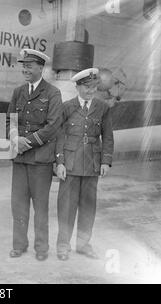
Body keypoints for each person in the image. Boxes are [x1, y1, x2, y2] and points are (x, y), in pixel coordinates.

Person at [6, 49, 62, 261]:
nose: (25, 69)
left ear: (41, 67)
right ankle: (19, 245)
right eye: (23, 65)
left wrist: (25, 142)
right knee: (18, 205)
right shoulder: (18, 92)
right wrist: (14, 138)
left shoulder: (52, 93)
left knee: (40, 207)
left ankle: (41, 248)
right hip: (20, 159)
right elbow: (9, 119)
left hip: (40, 160)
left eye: (29, 66)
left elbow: (53, 126)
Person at [55, 68, 114, 261]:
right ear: (77, 87)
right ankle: (63, 246)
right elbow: (59, 136)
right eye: (86, 87)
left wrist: (105, 161)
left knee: (88, 207)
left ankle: (83, 244)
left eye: (93, 87)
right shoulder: (66, 107)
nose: (90, 91)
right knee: (66, 207)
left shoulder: (102, 107)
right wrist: (60, 162)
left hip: (92, 164)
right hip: (70, 165)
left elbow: (108, 137)